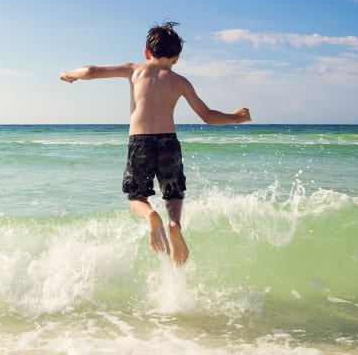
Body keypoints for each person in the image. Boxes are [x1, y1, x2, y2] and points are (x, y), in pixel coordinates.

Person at [60, 21, 251, 266]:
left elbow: (91, 70)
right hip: (168, 142)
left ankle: (151, 215)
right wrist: (237, 117)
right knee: (173, 194)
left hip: (139, 142)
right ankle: (174, 224)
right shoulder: (180, 82)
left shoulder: (135, 70)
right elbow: (208, 116)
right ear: (177, 58)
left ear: (146, 52)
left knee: (136, 197)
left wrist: (70, 75)